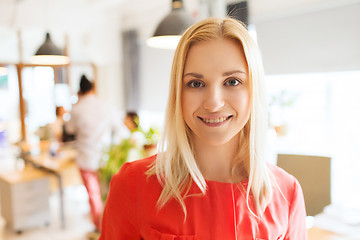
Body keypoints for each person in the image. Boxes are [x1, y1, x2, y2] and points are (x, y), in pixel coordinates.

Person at [99, 17, 307, 239]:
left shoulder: (287, 193)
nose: (214, 103)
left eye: (232, 81)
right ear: (178, 93)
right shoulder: (133, 185)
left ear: (253, 90)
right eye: (196, 84)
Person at [65, 75, 126, 235]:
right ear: (93, 88)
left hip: (86, 158)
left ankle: (101, 230)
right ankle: (111, 227)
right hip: (106, 158)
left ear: (80, 90)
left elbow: (70, 130)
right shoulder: (105, 105)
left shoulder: (76, 108)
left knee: (94, 196)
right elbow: (120, 129)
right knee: (110, 194)